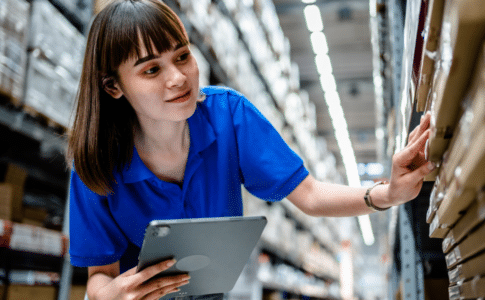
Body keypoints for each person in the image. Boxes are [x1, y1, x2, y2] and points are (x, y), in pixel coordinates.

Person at [66, 0, 435, 299]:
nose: (178, 78)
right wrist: (108, 296)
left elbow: (308, 195)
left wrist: (387, 193)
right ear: (114, 87)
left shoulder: (229, 115)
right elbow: (99, 275)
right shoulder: (96, 163)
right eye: (151, 70)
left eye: (182, 56)